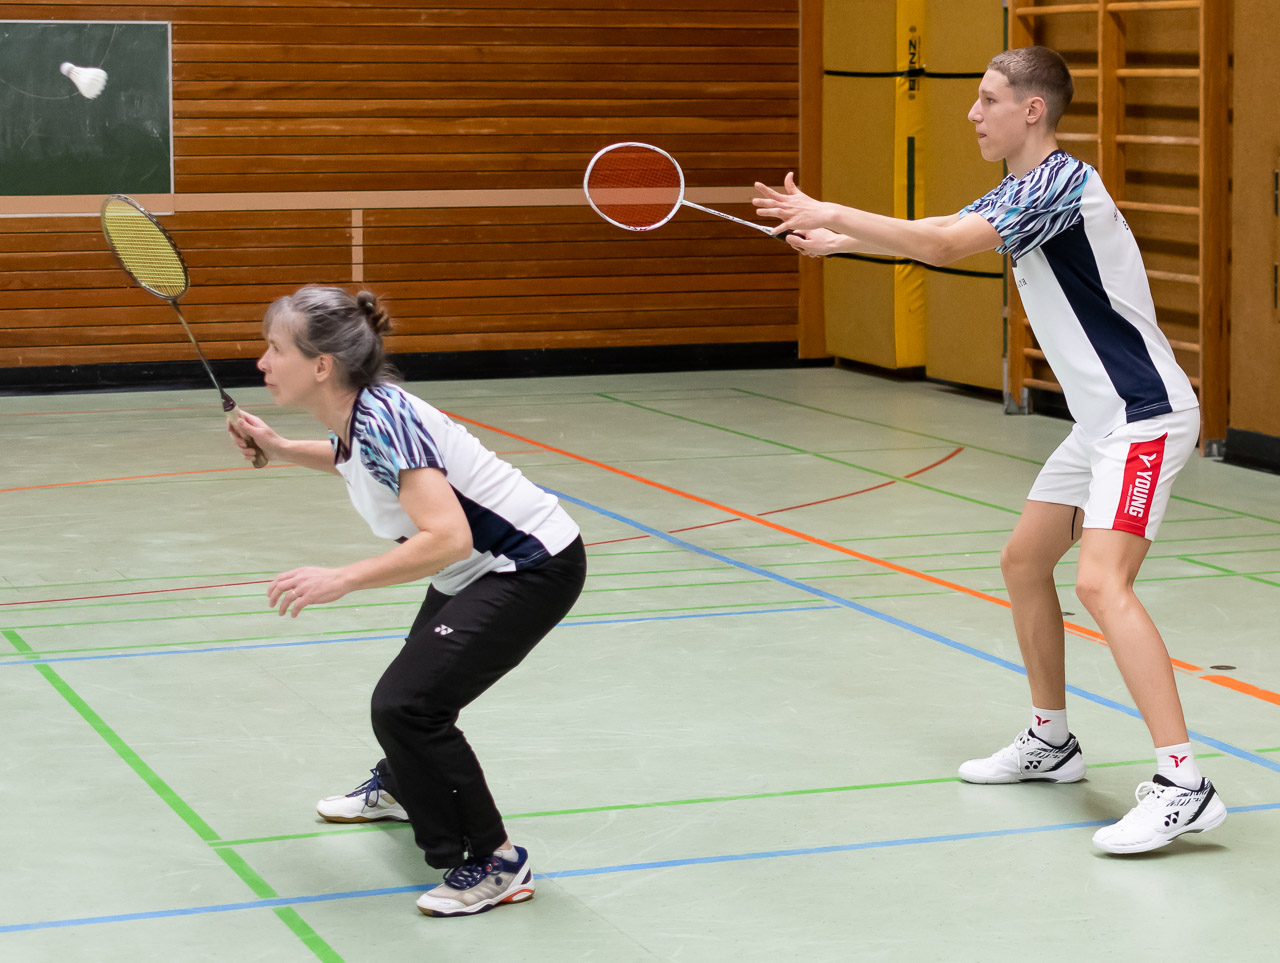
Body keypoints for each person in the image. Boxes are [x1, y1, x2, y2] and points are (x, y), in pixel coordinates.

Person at [752, 45, 1225, 854]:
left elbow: (941, 245)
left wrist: (833, 213)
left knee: (1101, 582)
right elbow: (942, 232)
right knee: (1023, 561)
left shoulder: (1059, 184)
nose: (973, 113)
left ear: (1031, 110)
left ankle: (1184, 782)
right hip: (1098, 423)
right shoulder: (1019, 190)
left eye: (987, 98)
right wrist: (841, 240)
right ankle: (1051, 739)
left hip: (1143, 417)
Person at [227, 285, 586, 913]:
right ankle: (401, 788)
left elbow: (448, 537)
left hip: (527, 567)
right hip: (475, 568)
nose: (262, 361)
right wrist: (281, 449)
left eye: (275, 349)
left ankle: (495, 864)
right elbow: (358, 461)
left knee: (408, 706)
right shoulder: (358, 413)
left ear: (321, 365)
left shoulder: (383, 417)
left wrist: (343, 578)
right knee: (413, 695)